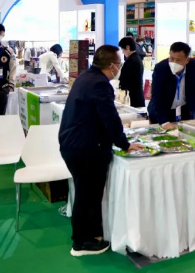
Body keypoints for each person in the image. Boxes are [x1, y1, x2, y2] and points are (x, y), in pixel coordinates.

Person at [59, 45, 143, 256]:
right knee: (87, 195)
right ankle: (81, 243)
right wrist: (125, 144)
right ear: (112, 65)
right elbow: (109, 117)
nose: (120, 68)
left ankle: (92, 233)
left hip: (75, 143)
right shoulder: (99, 84)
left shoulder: (86, 77)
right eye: (119, 64)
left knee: (86, 193)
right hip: (85, 147)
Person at [148, 42, 195, 127]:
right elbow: (157, 97)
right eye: (171, 58)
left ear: (187, 60)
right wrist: (164, 122)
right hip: (162, 111)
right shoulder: (161, 68)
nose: (174, 62)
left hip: (184, 110)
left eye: (178, 60)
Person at [117, 37, 145, 108]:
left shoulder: (131, 61)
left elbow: (126, 78)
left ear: (127, 47)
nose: (123, 52)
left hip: (133, 96)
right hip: (138, 95)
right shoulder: (137, 58)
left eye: (122, 49)